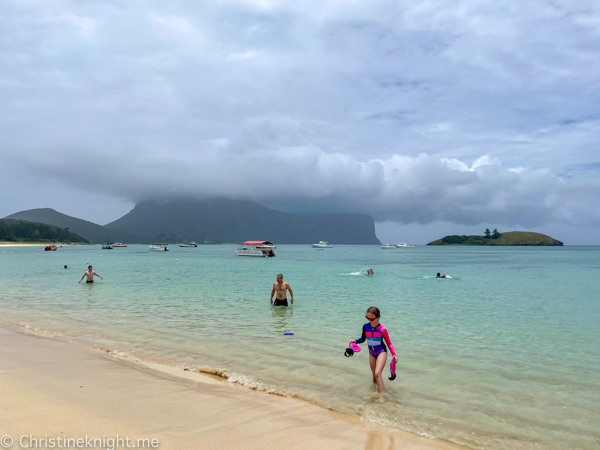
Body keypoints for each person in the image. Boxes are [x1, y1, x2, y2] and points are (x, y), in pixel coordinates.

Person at [350, 306, 397, 395]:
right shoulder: (365, 327)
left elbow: (389, 343)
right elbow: (363, 339)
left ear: (378, 317)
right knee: (374, 377)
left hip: (381, 352)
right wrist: (355, 341)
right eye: (367, 318)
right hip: (371, 353)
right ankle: (374, 394)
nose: (369, 320)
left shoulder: (382, 329)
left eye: (372, 319)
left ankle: (382, 397)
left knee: (377, 373)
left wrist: (394, 354)